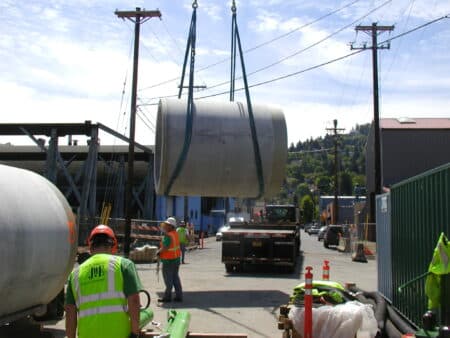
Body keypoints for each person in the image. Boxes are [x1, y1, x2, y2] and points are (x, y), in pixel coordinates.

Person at [65, 225, 142, 338]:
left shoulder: (75, 274)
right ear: (113, 246)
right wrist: (135, 333)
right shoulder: (124, 265)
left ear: (90, 248)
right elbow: (134, 301)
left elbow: (70, 311)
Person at [158, 217, 183, 302]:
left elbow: (165, 247)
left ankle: (167, 297)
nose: (165, 226)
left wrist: (158, 252)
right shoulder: (175, 234)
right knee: (175, 278)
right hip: (176, 260)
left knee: (168, 280)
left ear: (171, 226)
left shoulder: (168, 235)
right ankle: (179, 296)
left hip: (168, 261)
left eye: (167, 225)